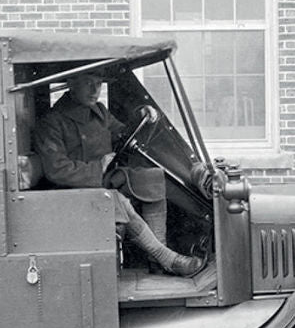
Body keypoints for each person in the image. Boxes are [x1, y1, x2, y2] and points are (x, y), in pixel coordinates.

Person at [33, 72, 204, 276]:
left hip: (101, 179)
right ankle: (166, 258)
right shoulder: (52, 121)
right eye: (88, 83)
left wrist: (142, 114)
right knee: (115, 199)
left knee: (153, 178)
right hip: (71, 188)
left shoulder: (100, 112)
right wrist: (98, 166)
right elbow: (57, 170)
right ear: (71, 84)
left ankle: (156, 261)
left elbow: (122, 132)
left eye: (98, 84)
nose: (95, 90)